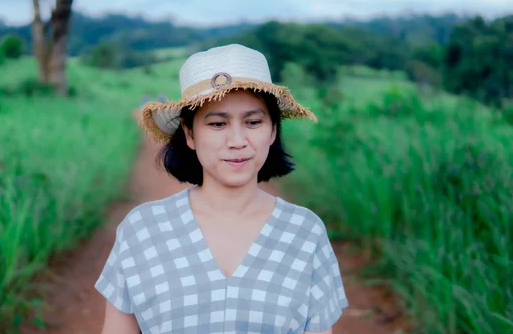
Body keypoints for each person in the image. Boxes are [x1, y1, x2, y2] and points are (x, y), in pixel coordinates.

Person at [95, 44, 349, 334]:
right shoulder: (142, 230)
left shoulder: (305, 233)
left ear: (273, 131)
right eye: (217, 124)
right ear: (189, 134)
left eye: (253, 122)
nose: (237, 140)